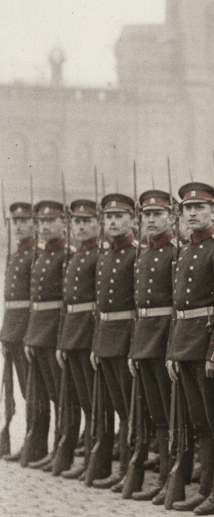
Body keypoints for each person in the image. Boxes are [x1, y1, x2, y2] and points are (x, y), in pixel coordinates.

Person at [166, 182, 214, 514]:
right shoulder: (184, 250)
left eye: (199, 208)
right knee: (199, 422)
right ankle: (205, 489)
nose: (192, 214)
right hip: (185, 343)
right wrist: (173, 350)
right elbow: (178, 307)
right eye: (187, 209)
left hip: (204, 344)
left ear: (213, 211)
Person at [127, 190, 178, 503]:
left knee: (171, 415)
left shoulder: (176, 252)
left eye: (157, 215)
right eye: (146, 215)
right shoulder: (143, 254)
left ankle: (173, 477)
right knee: (157, 414)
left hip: (165, 338)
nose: (151, 220)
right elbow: (138, 306)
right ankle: (162, 476)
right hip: (145, 338)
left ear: (170, 217)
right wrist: (135, 346)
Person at [90, 194, 137, 490]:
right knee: (119, 409)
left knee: (131, 411)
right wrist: (96, 343)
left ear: (132, 220)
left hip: (126, 339)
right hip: (106, 339)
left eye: (120, 216)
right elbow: (100, 306)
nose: (113, 222)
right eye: (109, 217)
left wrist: (133, 345)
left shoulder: (137, 254)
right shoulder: (105, 255)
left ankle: (129, 470)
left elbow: (138, 306)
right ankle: (121, 468)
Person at [55, 199, 101, 480]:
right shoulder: (75, 256)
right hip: (73, 334)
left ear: (98, 224)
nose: (81, 227)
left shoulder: (99, 255)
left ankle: (96, 459)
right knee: (83, 400)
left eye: (87, 221)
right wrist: (62, 340)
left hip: (89, 333)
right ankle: (87, 456)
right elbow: (66, 302)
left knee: (95, 403)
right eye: (77, 222)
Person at [22, 199, 68, 469]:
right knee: (44, 395)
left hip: (54, 332)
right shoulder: (41, 254)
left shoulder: (67, 255)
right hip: (38, 331)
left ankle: (62, 448)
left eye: (51, 221)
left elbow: (65, 302)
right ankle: (47, 448)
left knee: (61, 396)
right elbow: (34, 300)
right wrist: (30, 335)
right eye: (41, 221)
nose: (45, 226)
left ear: (63, 223)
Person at [1, 201, 35, 462]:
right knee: (16, 390)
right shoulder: (16, 254)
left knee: (31, 390)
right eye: (15, 222)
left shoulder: (35, 254)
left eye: (24, 221)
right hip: (12, 330)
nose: (19, 226)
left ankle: (33, 442)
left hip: (26, 330)